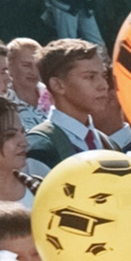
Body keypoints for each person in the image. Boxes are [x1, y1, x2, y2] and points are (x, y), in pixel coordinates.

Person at [26, 39, 116, 167]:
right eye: (90, 77)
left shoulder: (109, 145)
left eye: (103, 76)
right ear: (58, 85)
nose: (104, 85)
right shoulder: (41, 148)